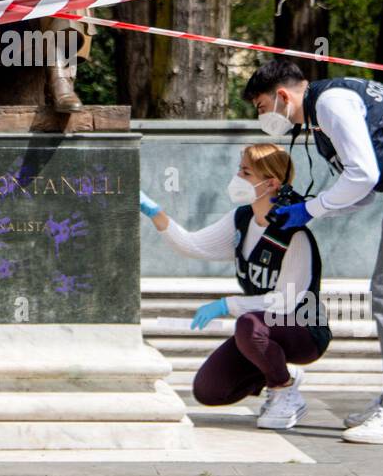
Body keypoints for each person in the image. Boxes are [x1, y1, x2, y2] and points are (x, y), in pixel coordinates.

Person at [242, 59, 383, 444]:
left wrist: (309, 209)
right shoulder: (322, 110)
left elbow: (362, 176)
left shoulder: (330, 104)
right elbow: (362, 189)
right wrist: (309, 211)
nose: (262, 117)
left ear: (282, 95)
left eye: (262, 107)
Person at [139, 143, 332, 430]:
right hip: (260, 326)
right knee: (210, 390)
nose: (237, 177)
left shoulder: (293, 235)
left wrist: (226, 304)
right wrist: (154, 212)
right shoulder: (241, 219)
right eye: (239, 169)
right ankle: (279, 369)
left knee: (248, 324)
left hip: (304, 330)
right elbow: (195, 245)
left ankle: (284, 390)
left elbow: (287, 301)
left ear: (271, 183)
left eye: (246, 172)